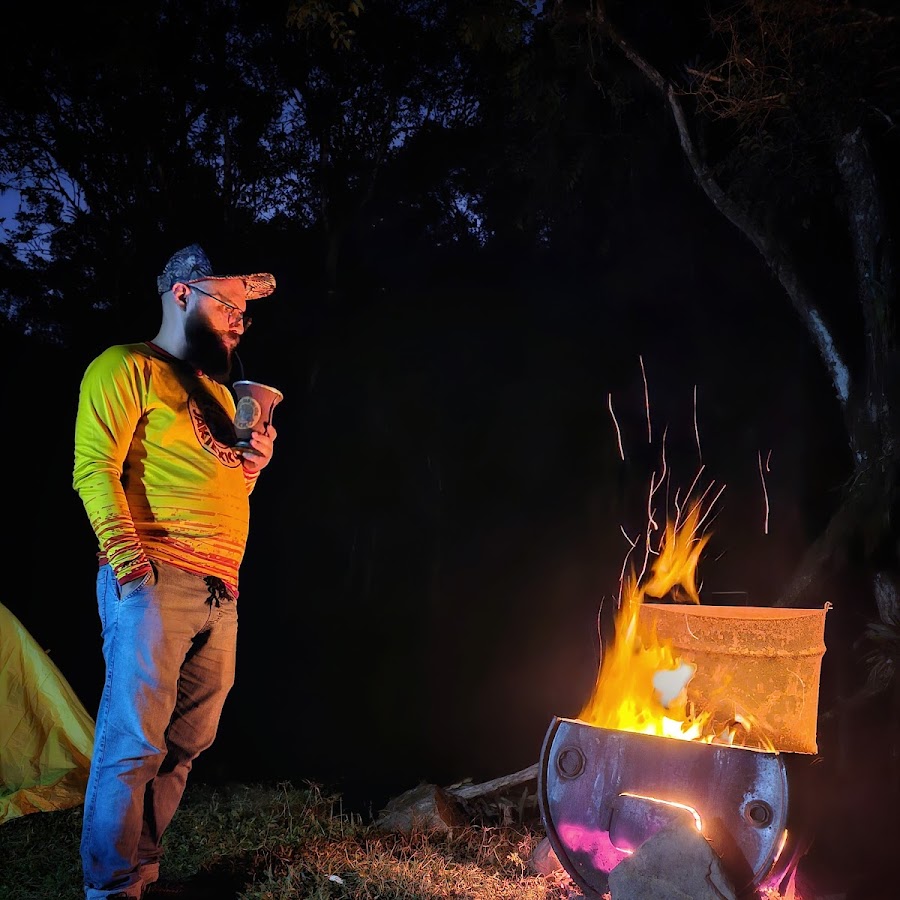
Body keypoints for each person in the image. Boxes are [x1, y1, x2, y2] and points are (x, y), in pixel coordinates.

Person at [73, 243, 279, 899]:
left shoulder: (219, 392)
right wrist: (131, 568)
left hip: (221, 590)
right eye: (230, 305)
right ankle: (109, 888)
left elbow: (225, 492)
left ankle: (143, 873)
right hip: (153, 576)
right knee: (133, 743)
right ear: (183, 294)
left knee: (187, 743)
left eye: (246, 311)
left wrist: (253, 466)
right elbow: (92, 468)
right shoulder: (124, 365)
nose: (240, 320)